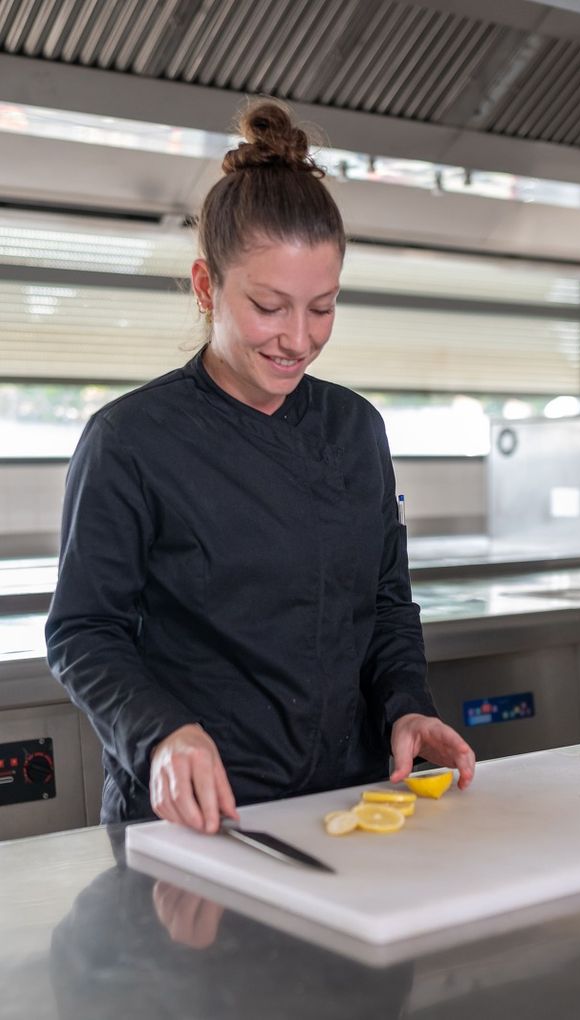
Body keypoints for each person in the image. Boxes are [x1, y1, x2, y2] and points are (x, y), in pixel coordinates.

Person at [45, 99, 475, 832]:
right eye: (270, 307)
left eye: (322, 308)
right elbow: (84, 632)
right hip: (199, 818)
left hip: (345, 807)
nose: (298, 339)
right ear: (206, 286)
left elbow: (385, 604)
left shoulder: (355, 429)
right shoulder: (130, 440)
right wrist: (160, 735)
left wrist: (407, 705)